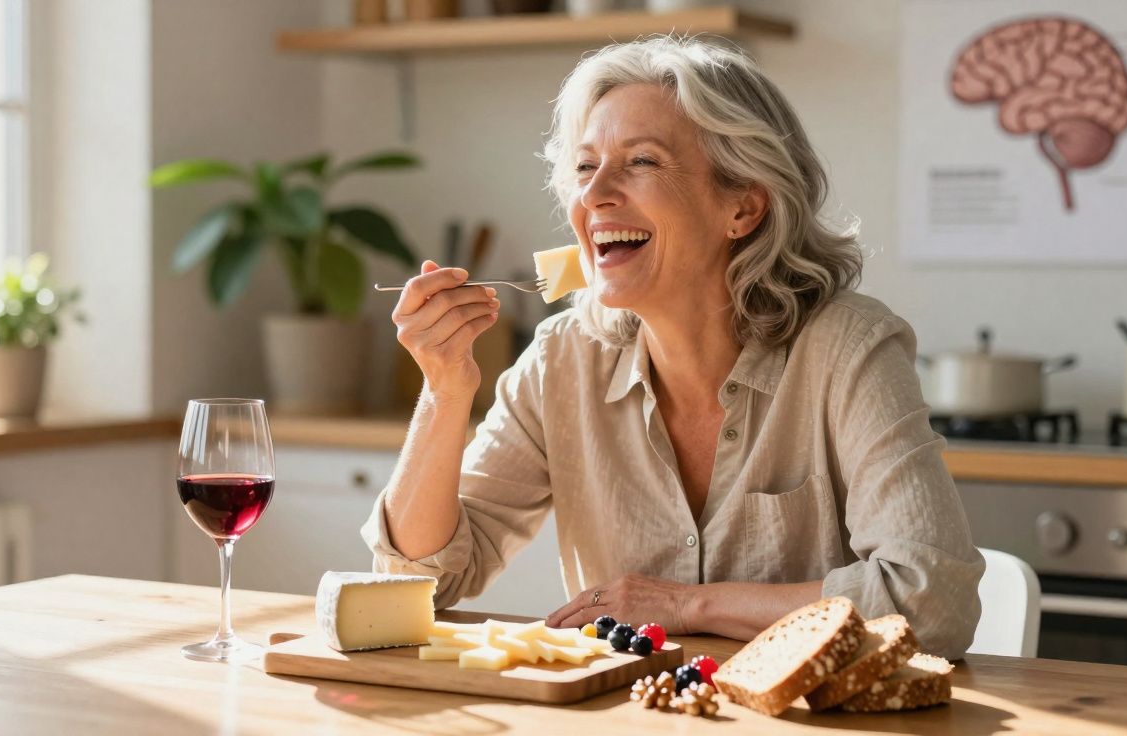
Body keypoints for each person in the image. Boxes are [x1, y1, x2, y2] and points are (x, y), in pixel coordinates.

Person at [361, 36, 984, 659]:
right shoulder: (561, 359)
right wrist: (443, 392)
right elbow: (417, 584)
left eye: (642, 162)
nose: (595, 194)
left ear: (742, 207)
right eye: (584, 167)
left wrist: (687, 605)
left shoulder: (848, 349)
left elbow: (931, 603)